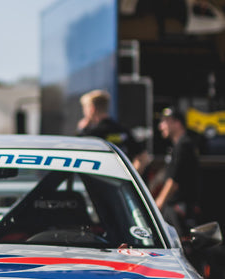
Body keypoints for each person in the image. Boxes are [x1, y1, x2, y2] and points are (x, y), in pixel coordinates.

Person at [76, 89, 150, 173]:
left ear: (91, 109)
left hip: (99, 179)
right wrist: (129, 178)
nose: (84, 112)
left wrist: (81, 129)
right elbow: (143, 157)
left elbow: (75, 154)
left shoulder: (91, 133)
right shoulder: (122, 130)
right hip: (118, 182)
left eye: (85, 108)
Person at [155, 107, 200, 237]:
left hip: (179, 207)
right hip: (175, 206)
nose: (161, 126)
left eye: (164, 122)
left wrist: (159, 203)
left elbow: (174, 181)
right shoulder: (177, 146)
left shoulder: (184, 145)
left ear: (177, 123)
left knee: (179, 243)